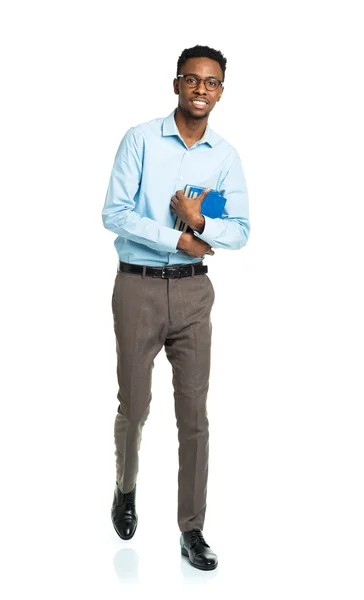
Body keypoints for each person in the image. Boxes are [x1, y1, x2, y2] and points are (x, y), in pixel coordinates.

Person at [101, 44, 250, 571]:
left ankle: (192, 528)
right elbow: (114, 214)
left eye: (211, 83)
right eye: (192, 80)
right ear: (176, 84)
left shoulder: (225, 156)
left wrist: (201, 223)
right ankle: (125, 487)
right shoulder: (140, 140)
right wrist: (177, 237)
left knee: (194, 415)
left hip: (193, 294)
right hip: (138, 289)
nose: (201, 90)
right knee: (135, 405)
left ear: (221, 91)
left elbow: (241, 232)